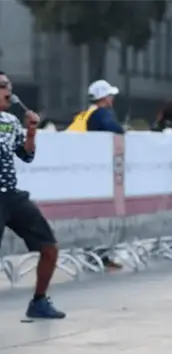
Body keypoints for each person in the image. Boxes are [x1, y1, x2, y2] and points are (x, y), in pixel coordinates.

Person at [0, 72, 66, 319]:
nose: (8, 90)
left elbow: (26, 155)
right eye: (2, 86)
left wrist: (31, 132)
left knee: (49, 247)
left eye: (9, 85)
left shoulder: (10, 121)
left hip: (12, 196)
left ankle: (39, 301)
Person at [66, 79, 124, 269]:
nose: (112, 99)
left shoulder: (85, 114)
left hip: (85, 172)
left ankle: (94, 254)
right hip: (100, 174)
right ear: (104, 98)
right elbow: (117, 131)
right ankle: (99, 256)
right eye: (110, 96)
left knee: (93, 214)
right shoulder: (102, 114)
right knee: (103, 214)